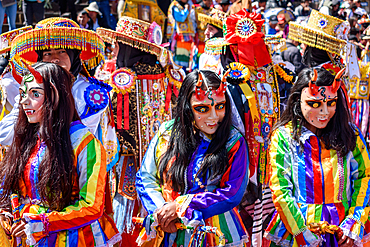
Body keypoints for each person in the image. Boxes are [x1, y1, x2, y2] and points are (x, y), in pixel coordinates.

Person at [0, 62, 120, 246]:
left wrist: (41, 222)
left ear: (55, 96)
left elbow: (91, 206)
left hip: (71, 238)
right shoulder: (28, 137)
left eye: (35, 94)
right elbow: (12, 186)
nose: (24, 101)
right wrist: (9, 212)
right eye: (23, 93)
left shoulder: (84, 142)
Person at [136, 69, 249, 246]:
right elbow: (146, 177)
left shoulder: (233, 141)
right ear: (187, 108)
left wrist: (183, 208)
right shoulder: (167, 133)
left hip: (215, 233)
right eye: (202, 109)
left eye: (220, 106)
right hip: (167, 231)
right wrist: (163, 211)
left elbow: (232, 193)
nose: (213, 117)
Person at [265, 67, 370, 247]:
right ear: (299, 101)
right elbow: (280, 189)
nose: (324, 112)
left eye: (330, 103)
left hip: (342, 232)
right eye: (314, 104)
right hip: (298, 231)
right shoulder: (283, 136)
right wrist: (301, 231)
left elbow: (364, 177)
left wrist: (354, 223)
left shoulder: (350, 134)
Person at [4, 18, 119, 170]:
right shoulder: (29, 89)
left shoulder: (89, 92)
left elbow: (77, 137)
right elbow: (6, 133)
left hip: (75, 171)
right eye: (47, 53)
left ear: (74, 56)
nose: (54, 59)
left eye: (62, 52)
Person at [167, 0, 195, 68]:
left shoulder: (186, 4)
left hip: (186, 36)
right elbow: (180, 18)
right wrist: (186, 9)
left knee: (185, 56)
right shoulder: (175, 6)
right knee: (178, 57)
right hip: (178, 36)